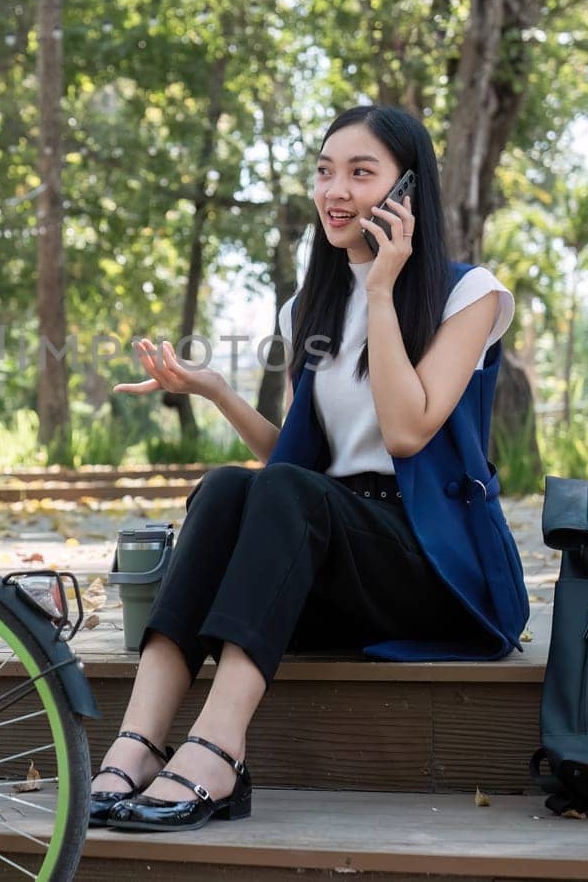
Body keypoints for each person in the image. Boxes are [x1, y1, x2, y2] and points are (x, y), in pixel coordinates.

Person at [93, 103, 529, 833]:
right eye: (326, 172)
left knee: (289, 494)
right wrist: (217, 390)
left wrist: (383, 290)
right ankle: (136, 740)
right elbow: (297, 460)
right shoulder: (310, 307)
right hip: (332, 542)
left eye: (362, 173)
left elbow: (407, 430)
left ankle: (217, 749)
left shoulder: (469, 293)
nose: (336, 190)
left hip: (431, 562)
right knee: (231, 485)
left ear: (407, 191)